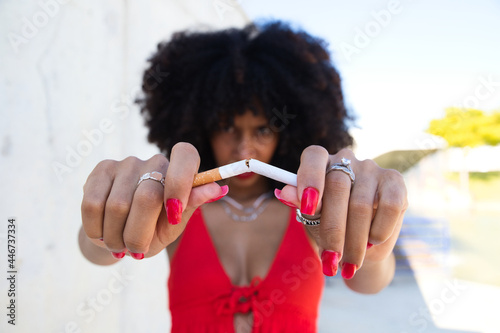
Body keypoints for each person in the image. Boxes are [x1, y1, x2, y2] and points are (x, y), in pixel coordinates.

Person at [78, 21, 408, 333]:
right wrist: (109, 215)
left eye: (262, 129)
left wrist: (373, 245)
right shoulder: (176, 208)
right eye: (226, 127)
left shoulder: (314, 212)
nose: (244, 149)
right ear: (200, 128)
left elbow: (370, 283)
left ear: (289, 132)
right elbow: (93, 252)